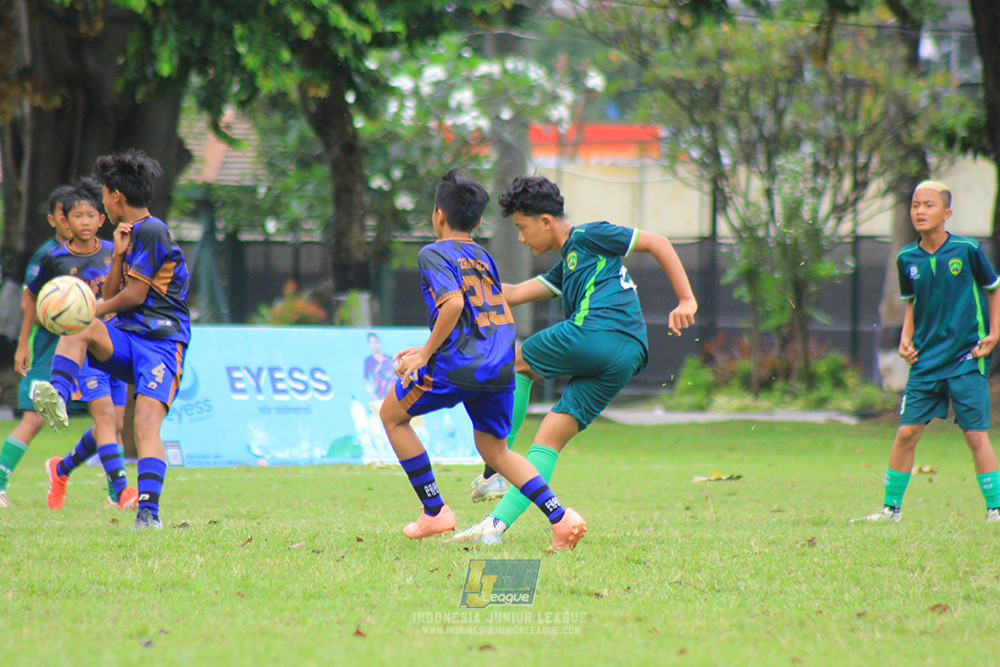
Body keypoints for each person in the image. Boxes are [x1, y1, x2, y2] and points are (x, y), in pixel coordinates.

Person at [451, 174, 697, 545]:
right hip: (628, 354)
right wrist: (462, 284)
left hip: (598, 331)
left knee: (517, 361)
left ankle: (495, 468)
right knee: (548, 439)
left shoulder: (589, 235)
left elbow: (658, 242)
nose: (520, 237)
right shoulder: (567, 266)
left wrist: (686, 299)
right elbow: (514, 294)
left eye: (522, 227)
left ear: (545, 222)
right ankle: (494, 529)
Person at [378, 168, 586, 551]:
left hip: (458, 365)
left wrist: (426, 354)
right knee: (496, 451)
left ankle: (435, 511)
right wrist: (425, 346)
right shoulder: (482, 255)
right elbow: (477, 308)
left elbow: (455, 303)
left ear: (439, 215)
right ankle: (561, 517)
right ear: (477, 221)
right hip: (500, 364)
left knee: (391, 416)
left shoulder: (433, 253)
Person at [32, 150, 191, 531]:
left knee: (145, 424)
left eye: (103, 194)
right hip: (129, 336)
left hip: (162, 344)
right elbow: (118, 288)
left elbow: (133, 297)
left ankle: (148, 513)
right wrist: (117, 256)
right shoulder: (131, 235)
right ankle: (57, 391)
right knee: (82, 326)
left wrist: (91, 306)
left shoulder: (152, 230)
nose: (102, 201)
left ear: (116, 195)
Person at [855, 180, 1000, 523]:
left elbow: (994, 289)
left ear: (947, 212)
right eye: (915, 205)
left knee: (975, 435)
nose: (920, 211)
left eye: (929, 205)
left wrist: (995, 333)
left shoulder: (967, 250)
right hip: (925, 361)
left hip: (967, 358)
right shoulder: (907, 258)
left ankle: (995, 509)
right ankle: (891, 510)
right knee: (906, 432)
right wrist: (906, 339)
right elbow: (911, 305)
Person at [26, 178, 136, 511]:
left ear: (102, 219)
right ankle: (122, 492)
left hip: (114, 343)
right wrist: (27, 341)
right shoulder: (54, 258)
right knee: (104, 419)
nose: (85, 222)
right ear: (65, 221)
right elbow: (32, 297)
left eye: (92, 215)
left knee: (115, 424)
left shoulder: (113, 251)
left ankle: (61, 469)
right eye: (78, 216)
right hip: (82, 350)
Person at [0, 185, 75, 507]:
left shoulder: (100, 252)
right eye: (67, 214)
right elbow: (27, 302)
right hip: (51, 349)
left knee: (110, 417)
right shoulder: (47, 255)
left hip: (92, 348)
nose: (73, 221)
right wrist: (25, 343)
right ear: (55, 218)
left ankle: (119, 494)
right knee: (34, 418)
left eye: (86, 214)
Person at [363, 332, 396, 401]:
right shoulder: (368, 361)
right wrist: (370, 392)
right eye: (372, 343)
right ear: (369, 344)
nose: (374, 345)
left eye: (376, 342)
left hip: (392, 395)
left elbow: (396, 375)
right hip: (380, 397)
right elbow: (366, 379)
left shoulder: (389, 359)